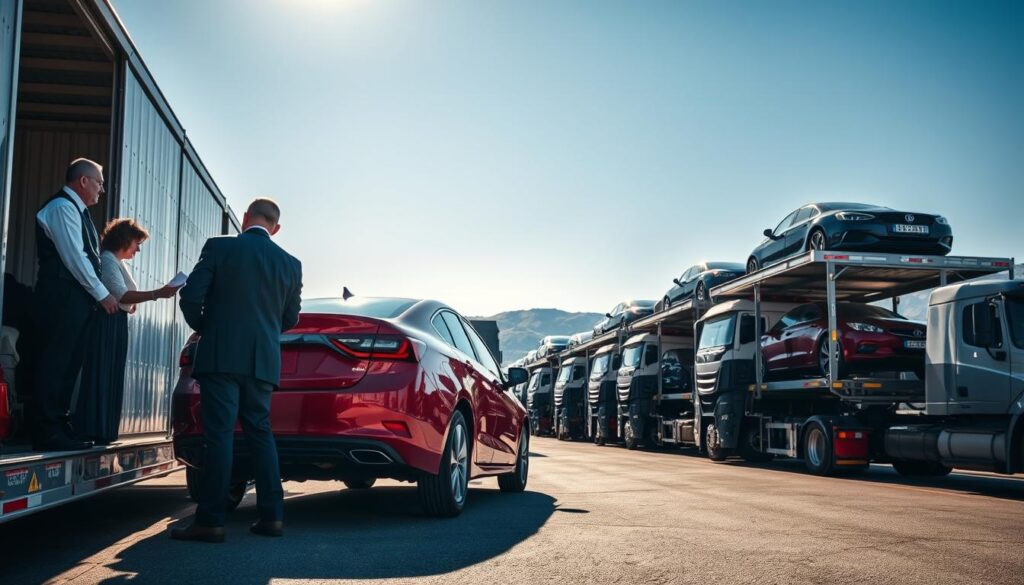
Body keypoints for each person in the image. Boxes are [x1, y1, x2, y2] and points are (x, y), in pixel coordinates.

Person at [172, 198, 302, 543]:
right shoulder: (290, 264)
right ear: (276, 228)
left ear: (244, 218)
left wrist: (207, 327)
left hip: (220, 356)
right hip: (262, 362)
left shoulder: (218, 247)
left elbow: (190, 297)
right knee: (261, 432)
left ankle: (211, 521)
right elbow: (290, 318)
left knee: (220, 435)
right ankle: (272, 516)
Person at [33, 158, 119, 451]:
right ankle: (47, 429)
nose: (102, 190)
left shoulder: (78, 212)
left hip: (75, 299)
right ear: (83, 181)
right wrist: (102, 294)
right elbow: (74, 258)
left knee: (69, 363)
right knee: (56, 361)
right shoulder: (62, 208)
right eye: (99, 182)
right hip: (61, 296)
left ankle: (59, 425)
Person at [74, 219, 179, 445]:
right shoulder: (108, 261)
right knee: (103, 372)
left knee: (111, 373)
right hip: (106, 324)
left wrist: (132, 303)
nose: (138, 249)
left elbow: (122, 297)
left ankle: (104, 428)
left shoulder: (118, 263)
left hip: (116, 322)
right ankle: (95, 428)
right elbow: (121, 295)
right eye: (136, 243)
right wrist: (157, 293)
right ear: (124, 239)